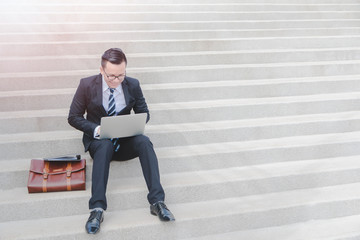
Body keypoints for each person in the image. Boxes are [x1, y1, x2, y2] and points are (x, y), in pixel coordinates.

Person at [68, 48, 175, 234]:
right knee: (104, 145)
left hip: (124, 141)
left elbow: (144, 113)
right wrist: (96, 129)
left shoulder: (133, 84)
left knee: (145, 142)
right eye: (111, 76)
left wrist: (133, 124)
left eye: (121, 76)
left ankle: (157, 202)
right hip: (100, 143)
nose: (116, 81)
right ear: (101, 70)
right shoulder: (86, 85)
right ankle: (97, 209)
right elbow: (73, 117)